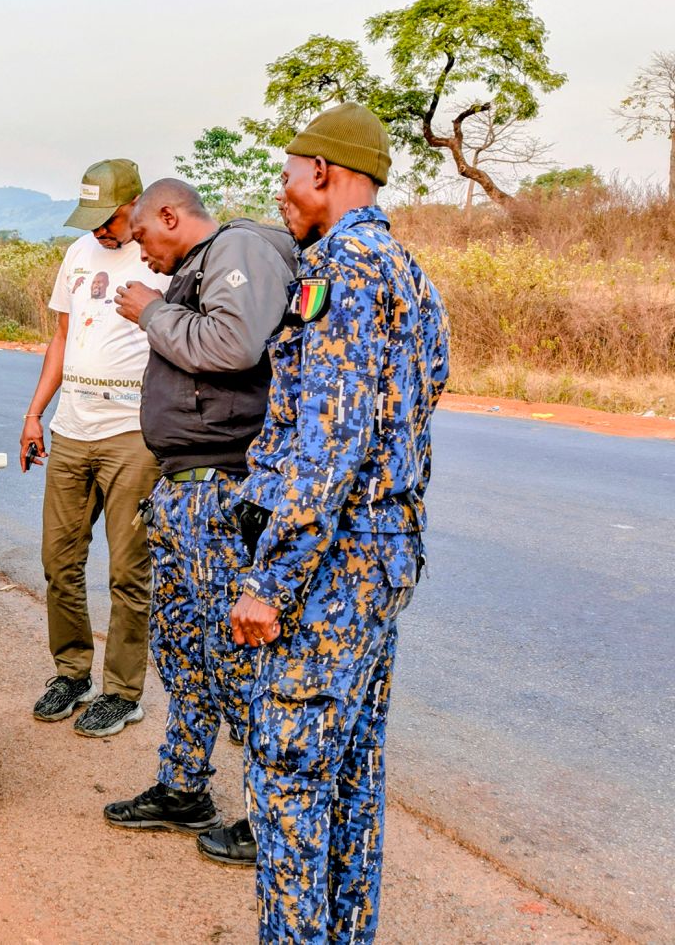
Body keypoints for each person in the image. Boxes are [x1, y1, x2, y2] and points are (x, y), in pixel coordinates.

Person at [229, 103, 449, 943]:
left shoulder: (341, 272)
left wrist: (271, 580)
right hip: (386, 555)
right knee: (351, 768)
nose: (282, 193)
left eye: (288, 175)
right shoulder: (411, 274)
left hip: (329, 565)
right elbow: (416, 405)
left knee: (286, 773)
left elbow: (331, 440)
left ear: (323, 170)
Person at [100, 179, 297, 868]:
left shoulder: (237, 247)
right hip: (184, 492)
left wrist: (153, 313)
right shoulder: (197, 268)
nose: (140, 254)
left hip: (224, 489)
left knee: (235, 659)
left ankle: (271, 814)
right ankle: (184, 788)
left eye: (143, 237)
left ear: (171, 215)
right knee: (182, 651)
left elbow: (236, 345)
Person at [19, 159, 170, 737]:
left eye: (107, 219)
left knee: (129, 573)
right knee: (60, 562)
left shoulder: (161, 257)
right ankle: (72, 672)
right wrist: (36, 412)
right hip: (71, 429)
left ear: (137, 205)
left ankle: (123, 691)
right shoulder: (79, 254)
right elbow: (62, 336)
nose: (100, 231)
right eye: (91, 220)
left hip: (132, 435)